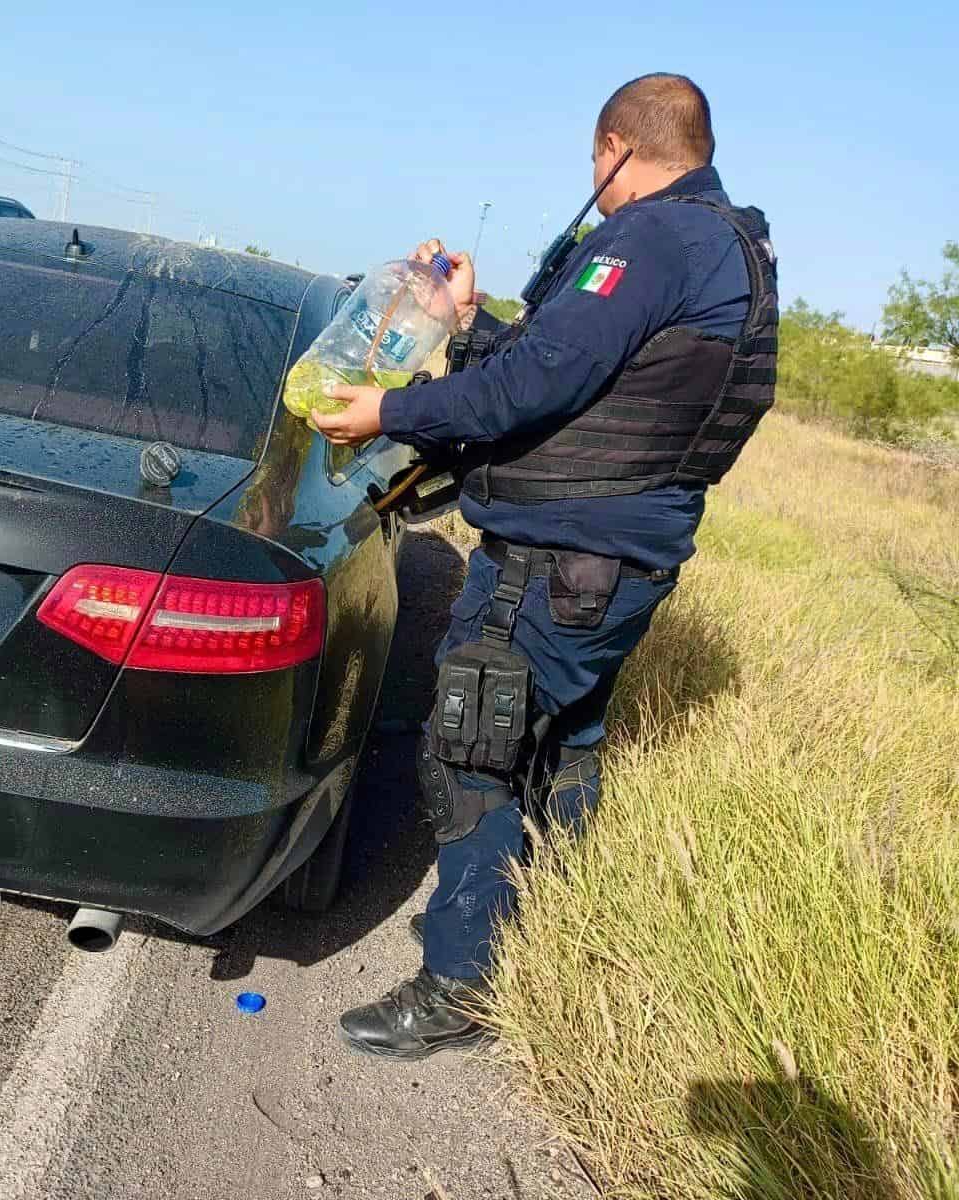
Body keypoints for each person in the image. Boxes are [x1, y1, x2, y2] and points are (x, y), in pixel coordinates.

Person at [314, 73, 778, 1059]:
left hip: (560, 561)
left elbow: (534, 385)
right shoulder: (728, 243)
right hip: (617, 564)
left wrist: (387, 412)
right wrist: (471, 318)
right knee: (557, 741)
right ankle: (525, 930)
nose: (595, 183)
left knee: (471, 748)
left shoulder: (653, 237)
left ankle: (460, 986)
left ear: (615, 144)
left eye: (595, 163)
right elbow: (576, 367)